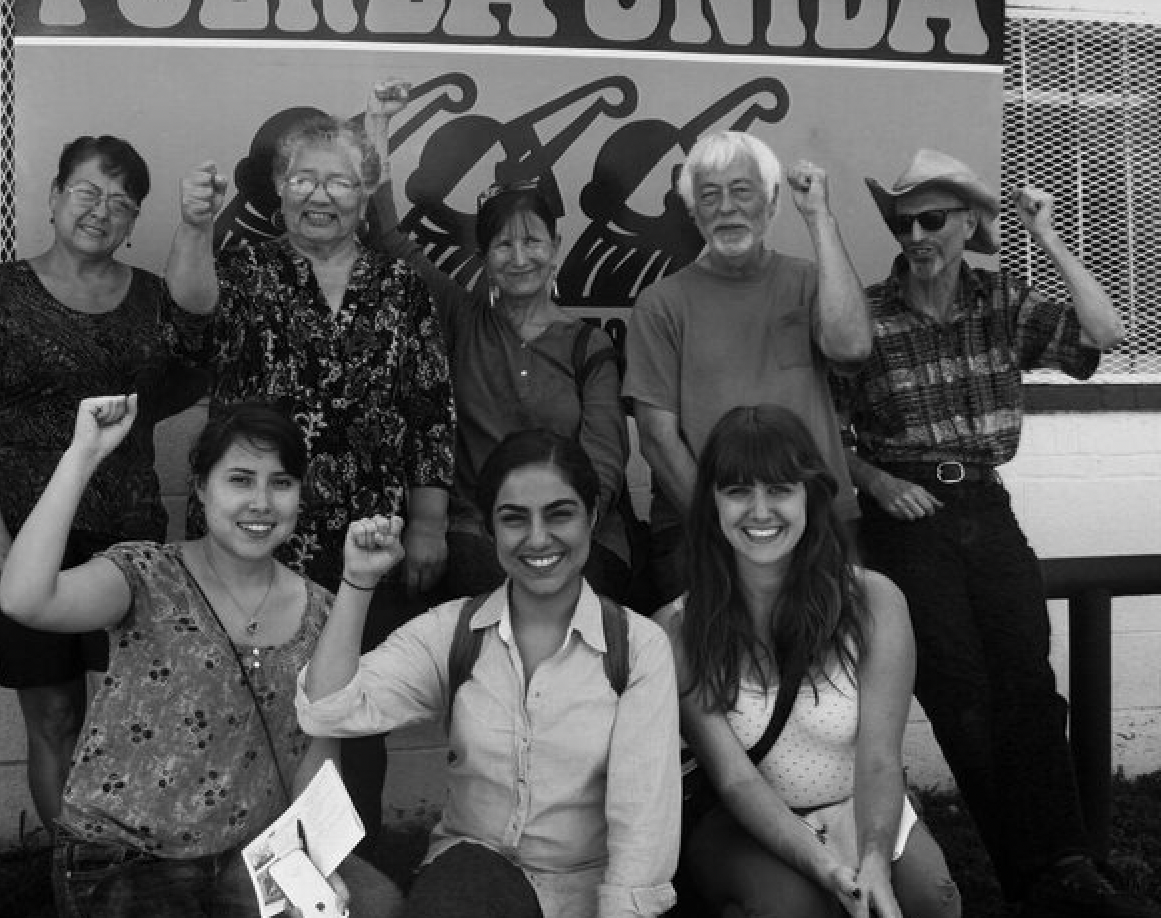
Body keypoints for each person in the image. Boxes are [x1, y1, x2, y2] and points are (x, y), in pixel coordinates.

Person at [835, 150, 1156, 918]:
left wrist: (1047, 238)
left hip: (987, 506)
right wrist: (875, 481)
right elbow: (826, 425)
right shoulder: (869, 315)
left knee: (1030, 692)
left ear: (969, 223)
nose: (916, 233)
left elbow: (1105, 333)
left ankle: (1070, 866)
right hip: (906, 518)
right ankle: (1034, 876)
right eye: (905, 220)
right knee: (962, 699)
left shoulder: (1004, 300)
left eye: (933, 218)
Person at [0, 398, 402, 918]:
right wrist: (82, 454)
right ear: (202, 487)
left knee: (376, 906)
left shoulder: (322, 609)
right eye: (239, 479)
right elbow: (24, 599)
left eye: (280, 482)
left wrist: (313, 869)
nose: (261, 501)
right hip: (128, 857)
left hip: (251, 858)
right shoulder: (146, 574)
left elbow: (318, 755)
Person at [172, 113, 455, 844]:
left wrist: (427, 522)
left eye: (339, 179)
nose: (319, 194)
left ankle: (344, 866)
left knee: (352, 713)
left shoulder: (401, 283)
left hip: (366, 541)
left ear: (366, 192)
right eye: (303, 178)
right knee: (251, 704)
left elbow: (429, 408)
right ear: (278, 188)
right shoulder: (243, 268)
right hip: (257, 536)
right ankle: (248, 864)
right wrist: (194, 227)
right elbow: (190, 322)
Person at [299, 429, 679, 918]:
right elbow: (328, 708)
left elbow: (642, 828)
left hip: (585, 897)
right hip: (467, 891)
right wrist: (359, 581)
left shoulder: (638, 646)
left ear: (593, 518)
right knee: (469, 879)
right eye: (514, 519)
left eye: (559, 514)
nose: (538, 538)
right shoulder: (455, 630)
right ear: (490, 530)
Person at [0, 134, 208, 831]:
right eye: (88, 192)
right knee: (55, 712)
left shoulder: (155, 301)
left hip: (127, 536)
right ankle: (72, 871)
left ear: (133, 223)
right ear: (55, 195)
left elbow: (200, 363)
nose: (102, 211)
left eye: (121, 203)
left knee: (131, 714)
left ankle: (128, 867)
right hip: (24, 534)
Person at [657, 404, 960, 918]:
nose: (759, 511)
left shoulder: (874, 602)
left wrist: (873, 861)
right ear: (710, 504)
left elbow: (881, 757)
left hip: (856, 805)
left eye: (779, 489)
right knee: (795, 908)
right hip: (742, 818)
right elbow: (734, 779)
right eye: (737, 491)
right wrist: (824, 867)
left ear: (810, 497)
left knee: (930, 900)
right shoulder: (678, 629)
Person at [361, 78, 633, 602]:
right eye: (502, 244)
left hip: (579, 533)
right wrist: (379, 125)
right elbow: (386, 236)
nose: (519, 256)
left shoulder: (588, 346)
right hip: (477, 533)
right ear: (485, 257)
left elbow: (604, 462)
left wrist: (557, 529)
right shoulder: (463, 320)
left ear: (555, 249)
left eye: (532, 241)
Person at [623, 131, 872, 613]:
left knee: (832, 669)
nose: (726, 208)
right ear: (693, 212)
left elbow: (853, 345)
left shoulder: (808, 281)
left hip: (818, 520)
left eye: (742, 191)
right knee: (713, 677)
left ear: (772, 200)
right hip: (702, 527)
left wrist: (819, 217)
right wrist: (731, 528)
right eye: (709, 195)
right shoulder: (661, 305)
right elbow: (656, 438)